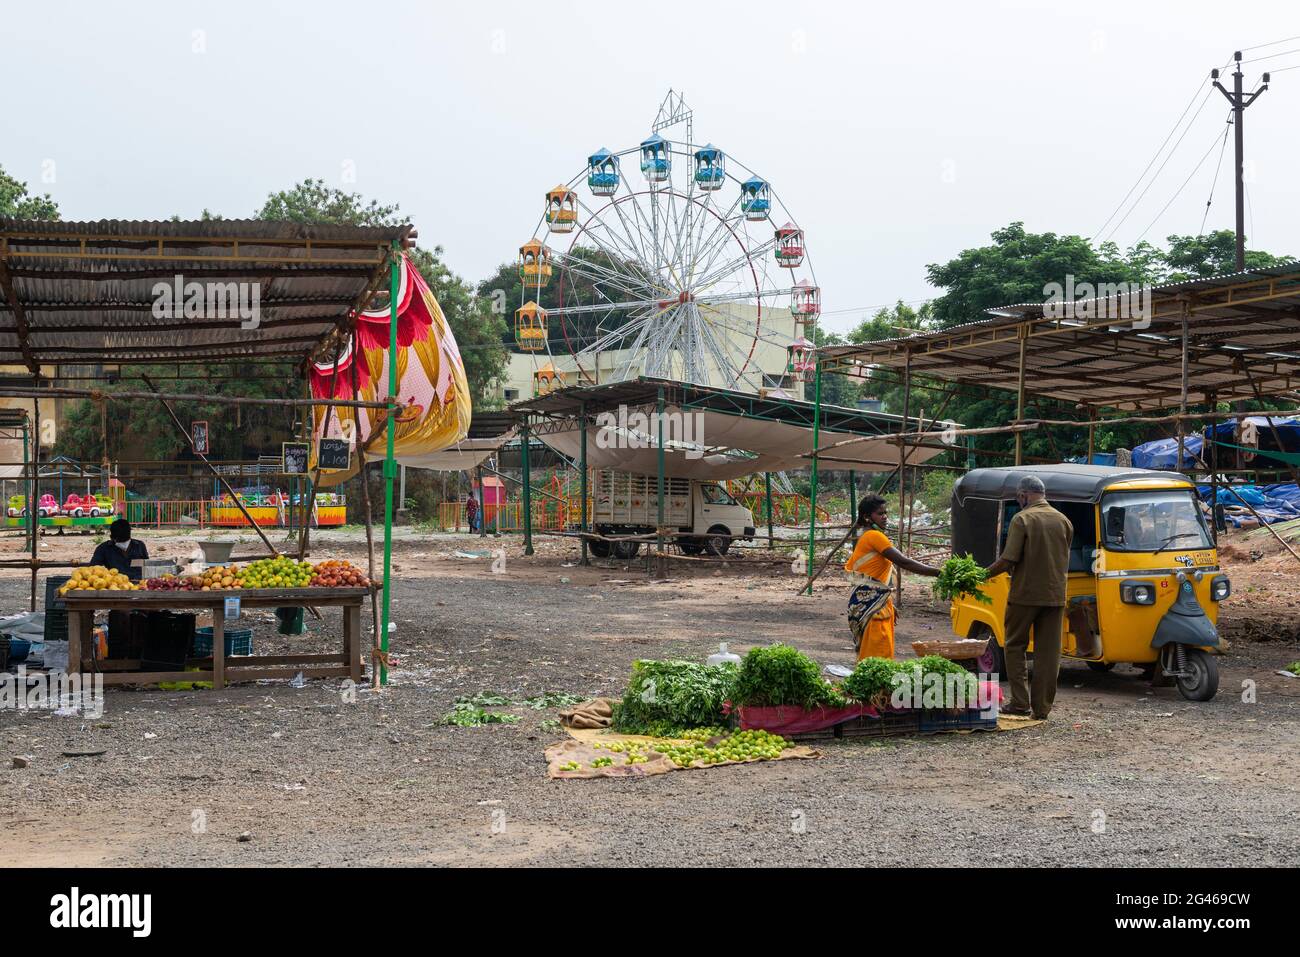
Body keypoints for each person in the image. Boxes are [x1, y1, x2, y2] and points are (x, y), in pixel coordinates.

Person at [983, 475, 1073, 719]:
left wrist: (980, 575)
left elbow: (1008, 559)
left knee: (1014, 645)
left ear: (1023, 495)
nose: (1018, 500)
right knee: (1049, 653)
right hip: (1055, 595)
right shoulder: (1063, 520)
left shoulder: (1022, 519)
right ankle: (1042, 708)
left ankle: (1020, 703)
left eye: (1018, 497)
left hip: (1024, 594)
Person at [843, 494, 941, 660]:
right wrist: (940, 572)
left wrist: (884, 601)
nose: (885, 517)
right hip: (873, 609)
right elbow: (905, 562)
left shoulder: (866, 537)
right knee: (877, 660)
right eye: (880, 514)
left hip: (873, 605)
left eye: (885, 513)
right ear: (867, 517)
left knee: (872, 658)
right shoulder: (874, 536)